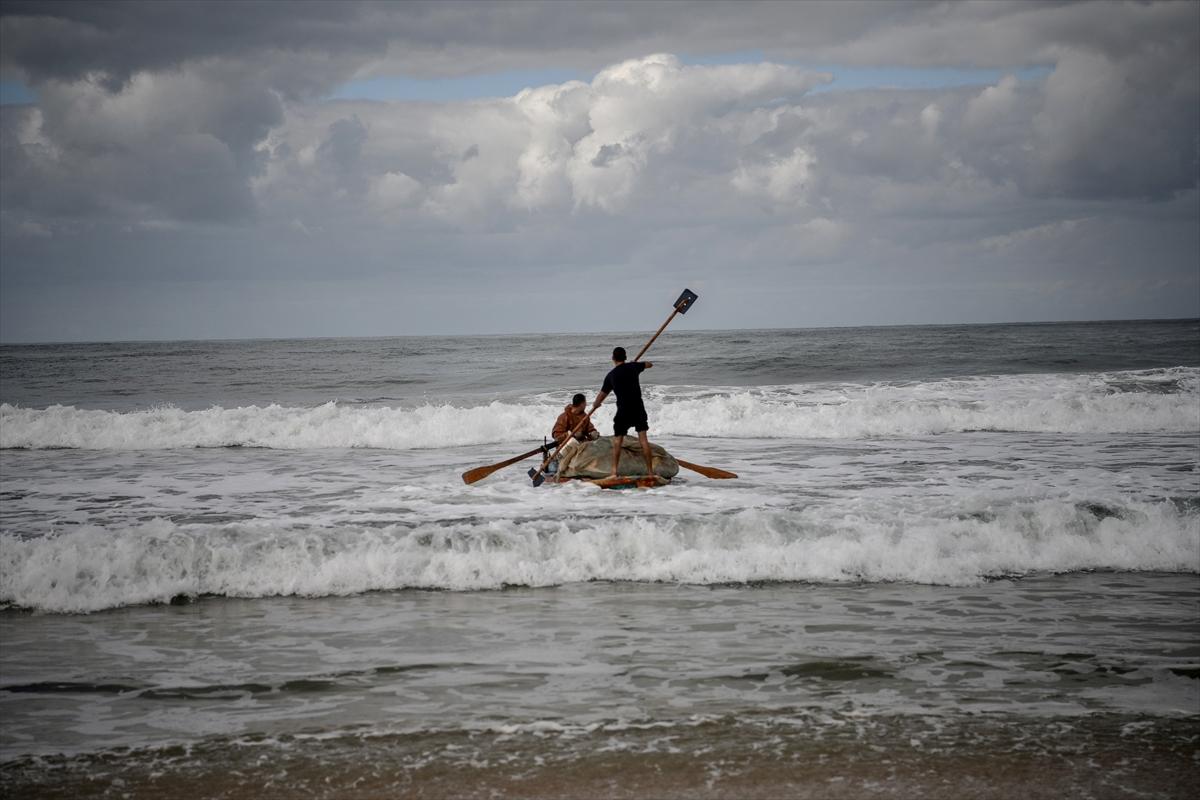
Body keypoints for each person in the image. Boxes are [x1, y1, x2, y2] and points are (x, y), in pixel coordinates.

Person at [591, 346, 654, 479]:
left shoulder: (611, 375)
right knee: (643, 440)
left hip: (623, 410)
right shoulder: (634, 367)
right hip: (638, 408)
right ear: (625, 357)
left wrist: (596, 404)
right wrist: (636, 364)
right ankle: (650, 472)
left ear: (613, 359)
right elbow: (650, 364)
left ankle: (614, 472)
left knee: (618, 441)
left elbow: (601, 396)